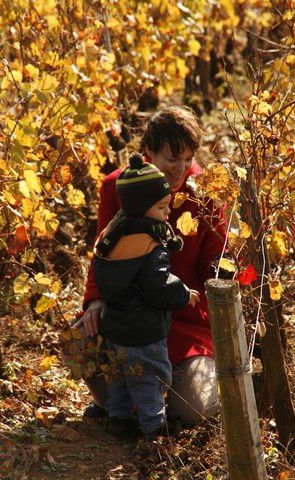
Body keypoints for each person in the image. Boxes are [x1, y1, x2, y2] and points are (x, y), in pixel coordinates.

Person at [73, 105, 226, 427]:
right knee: (76, 343)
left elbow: (217, 263)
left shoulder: (205, 194)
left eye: (188, 159)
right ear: (147, 153)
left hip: (183, 321)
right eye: (172, 159)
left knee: (190, 411)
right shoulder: (118, 187)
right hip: (127, 316)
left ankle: (165, 393)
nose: (181, 168)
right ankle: (120, 404)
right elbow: (103, 253)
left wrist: (234, 295)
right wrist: (96, 300)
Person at [93, 153, 200, 437]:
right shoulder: (150, 243)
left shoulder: (114, 233)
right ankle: (154, 427)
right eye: (163, 207)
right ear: (143, 207)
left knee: (118, 375)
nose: (168, 213)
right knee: (150, 376)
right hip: (144, 328)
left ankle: (118, 418)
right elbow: (158, 283)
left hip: (115, 324)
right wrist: (183, 294)